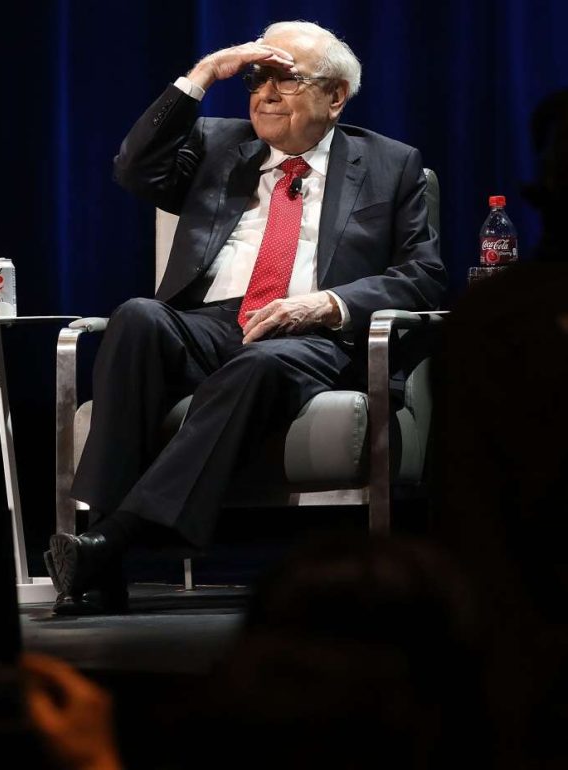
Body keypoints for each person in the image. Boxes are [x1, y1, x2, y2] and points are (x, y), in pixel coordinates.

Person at [44, 21, 446, 614]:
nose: (266, 94)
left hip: (311, 332)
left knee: (259, 364)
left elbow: (423, 274)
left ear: (336, 96)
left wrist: (326, 303)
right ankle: (105, 547)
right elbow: (133, 169)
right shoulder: (218, 144)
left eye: (287, 80)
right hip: (210, 321)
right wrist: (205, 73)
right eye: (257, 80)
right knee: (137, 317)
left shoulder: (391, 164)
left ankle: (109, 545)